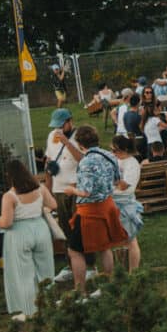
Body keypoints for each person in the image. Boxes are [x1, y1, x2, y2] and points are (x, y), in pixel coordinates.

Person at [67, 126, 129, 295]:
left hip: (90, 210)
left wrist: (72, 190)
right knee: (105, 246)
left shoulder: (86, 161)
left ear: (80, 144)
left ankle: (80, 291)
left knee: (74, 250)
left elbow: (86, 192)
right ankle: (109, 284)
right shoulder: (109, 155)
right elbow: (118, 181)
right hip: (107, 205)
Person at [0, 159, 56, 320]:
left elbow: (7, 222)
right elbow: (53, 205)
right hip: (40, 228)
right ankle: (49, 304)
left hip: (19, 233)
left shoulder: (9, 196)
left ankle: (30, 311)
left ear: (9, 175)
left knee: (24, 274)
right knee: (46, 270)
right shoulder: (41, 189)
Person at [109, 134, 144, 272]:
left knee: (130, 239)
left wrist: (111, 183)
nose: (113, 153)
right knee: (119, 240)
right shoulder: (116, 161)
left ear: (124, 149)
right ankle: (122, 269)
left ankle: (133, 271)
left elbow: (124, 185)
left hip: (125, 202)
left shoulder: (132, 163)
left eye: (115, 150)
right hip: (113, 201)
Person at [45, 107, 83, 228]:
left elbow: (82, 159)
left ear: (70, 121)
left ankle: (79, 246)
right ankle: (69, 246)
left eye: (61, 126)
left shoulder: (79, 136)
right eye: (56, 126)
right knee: (64, 223)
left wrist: (67, 142)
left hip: (75, 186)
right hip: (58, 187)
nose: (58, 129)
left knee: (77, 222)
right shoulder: (52, 135)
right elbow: (49, 160)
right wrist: (48, 189)